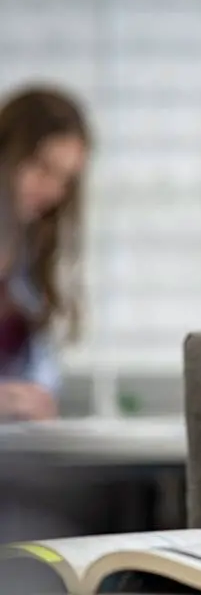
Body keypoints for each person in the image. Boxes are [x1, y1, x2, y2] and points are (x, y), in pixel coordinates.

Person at [0, 86, 90, 422]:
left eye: (66, 180)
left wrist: (40, 403)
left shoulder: (30, 263)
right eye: (42, 168)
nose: (53, 191)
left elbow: (42, 382)